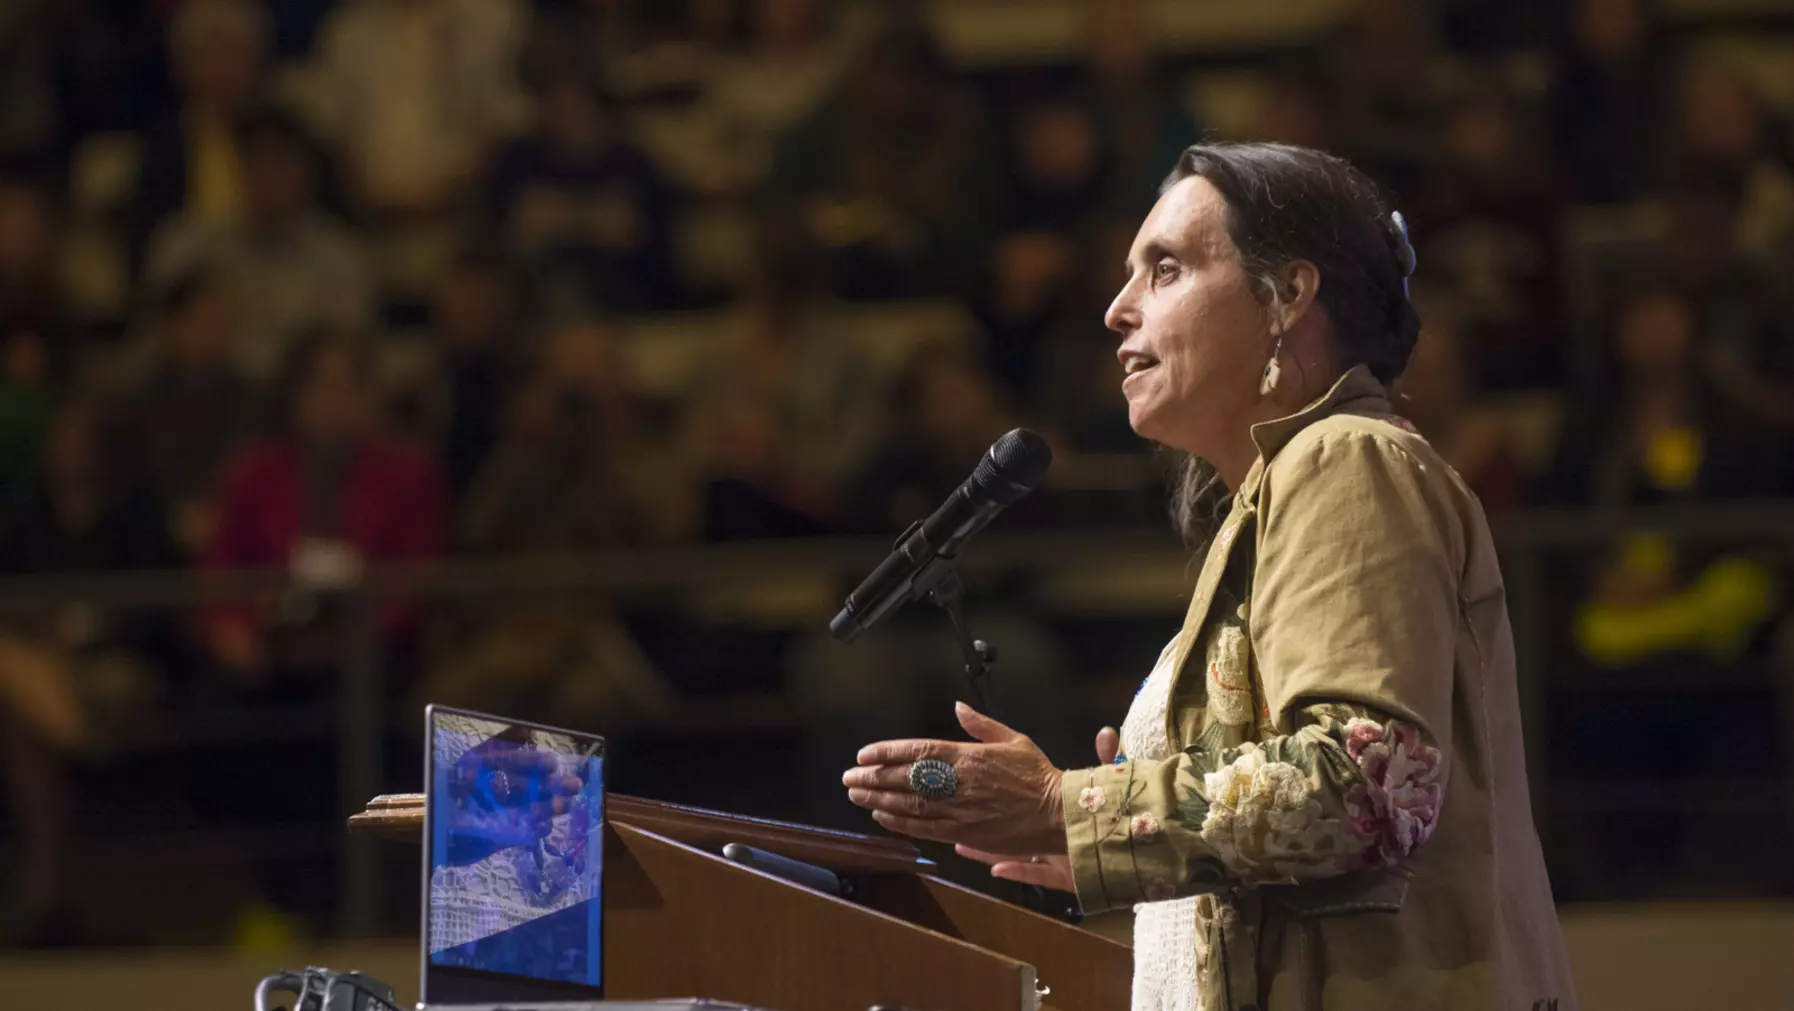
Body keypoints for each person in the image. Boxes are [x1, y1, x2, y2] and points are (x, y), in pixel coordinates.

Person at [841, 143, 1578, 1009]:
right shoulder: (1274, 499)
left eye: (1165, 269)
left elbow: (1367, 782)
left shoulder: (1348, 459)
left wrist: (1067, 806)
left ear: (1289, 295)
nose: (1118, 311)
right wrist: (1110, 847)